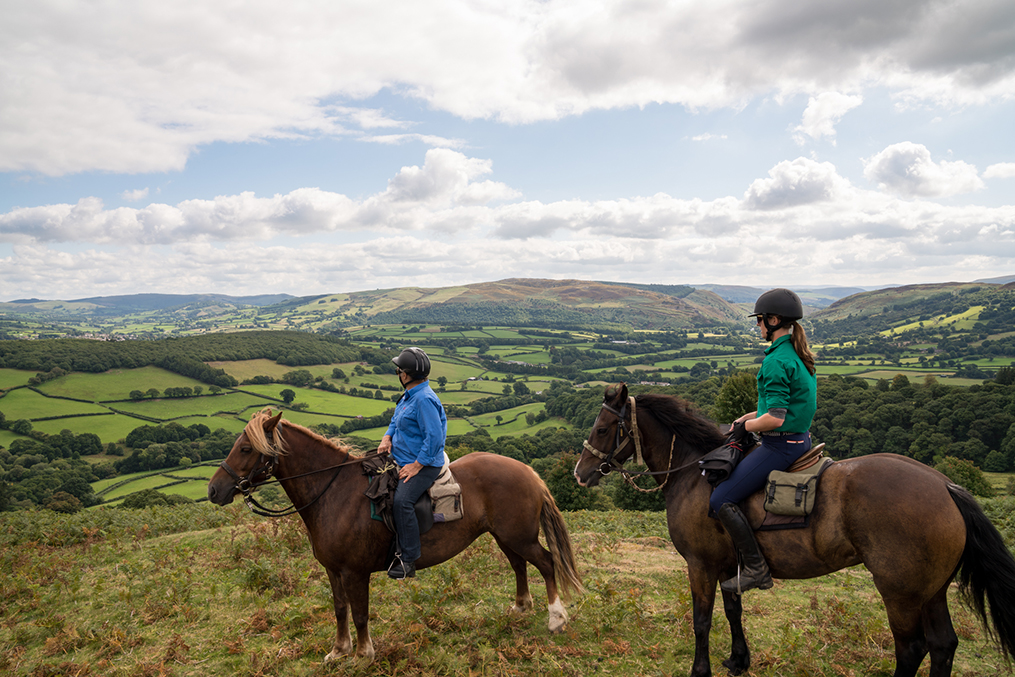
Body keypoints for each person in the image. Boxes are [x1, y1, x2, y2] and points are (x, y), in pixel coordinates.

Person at [709, 288, 817, 595]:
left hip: (779, 446)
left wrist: (749, 425)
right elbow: (785, 406)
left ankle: (756, 569)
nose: (758, 327)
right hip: (801, 440)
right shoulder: (796, 354)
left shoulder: (774, 361)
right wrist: (749, 416)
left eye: (760, 321)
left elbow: (776, 418)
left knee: (720, 499)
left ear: (773, 320)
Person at [377, 347, 448, 579]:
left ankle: (408, 560)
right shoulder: (410, 395)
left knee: (402, 502)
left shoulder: (424, 400)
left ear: (405, 375)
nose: (398, 373)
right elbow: (396, 420)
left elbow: (435, 438)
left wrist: (418, 465)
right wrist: (387, 436)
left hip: (424, 464)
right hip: (401, 457)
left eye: (399, 370)